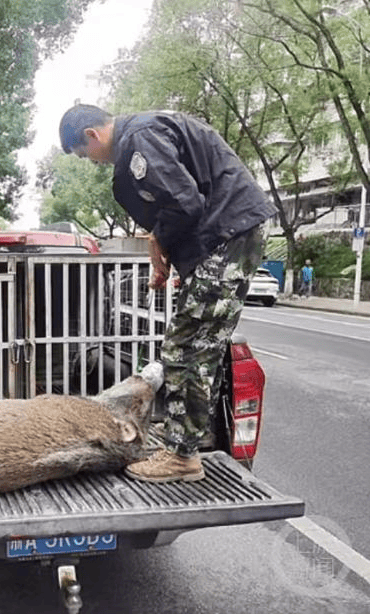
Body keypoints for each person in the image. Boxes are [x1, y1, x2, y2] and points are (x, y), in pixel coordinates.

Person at [59, 104, 277, 482]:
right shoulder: (143, 133)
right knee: (195, 346)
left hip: (228, 233)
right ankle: (182, 446)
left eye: (83, 154)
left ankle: (181, 457)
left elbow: (183, 204)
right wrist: (164, 247)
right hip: (227, 233)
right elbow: (182, 201)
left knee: (186, 348)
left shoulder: (139, 140)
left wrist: (160, 238)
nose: (89, 161)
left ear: (92, 136)